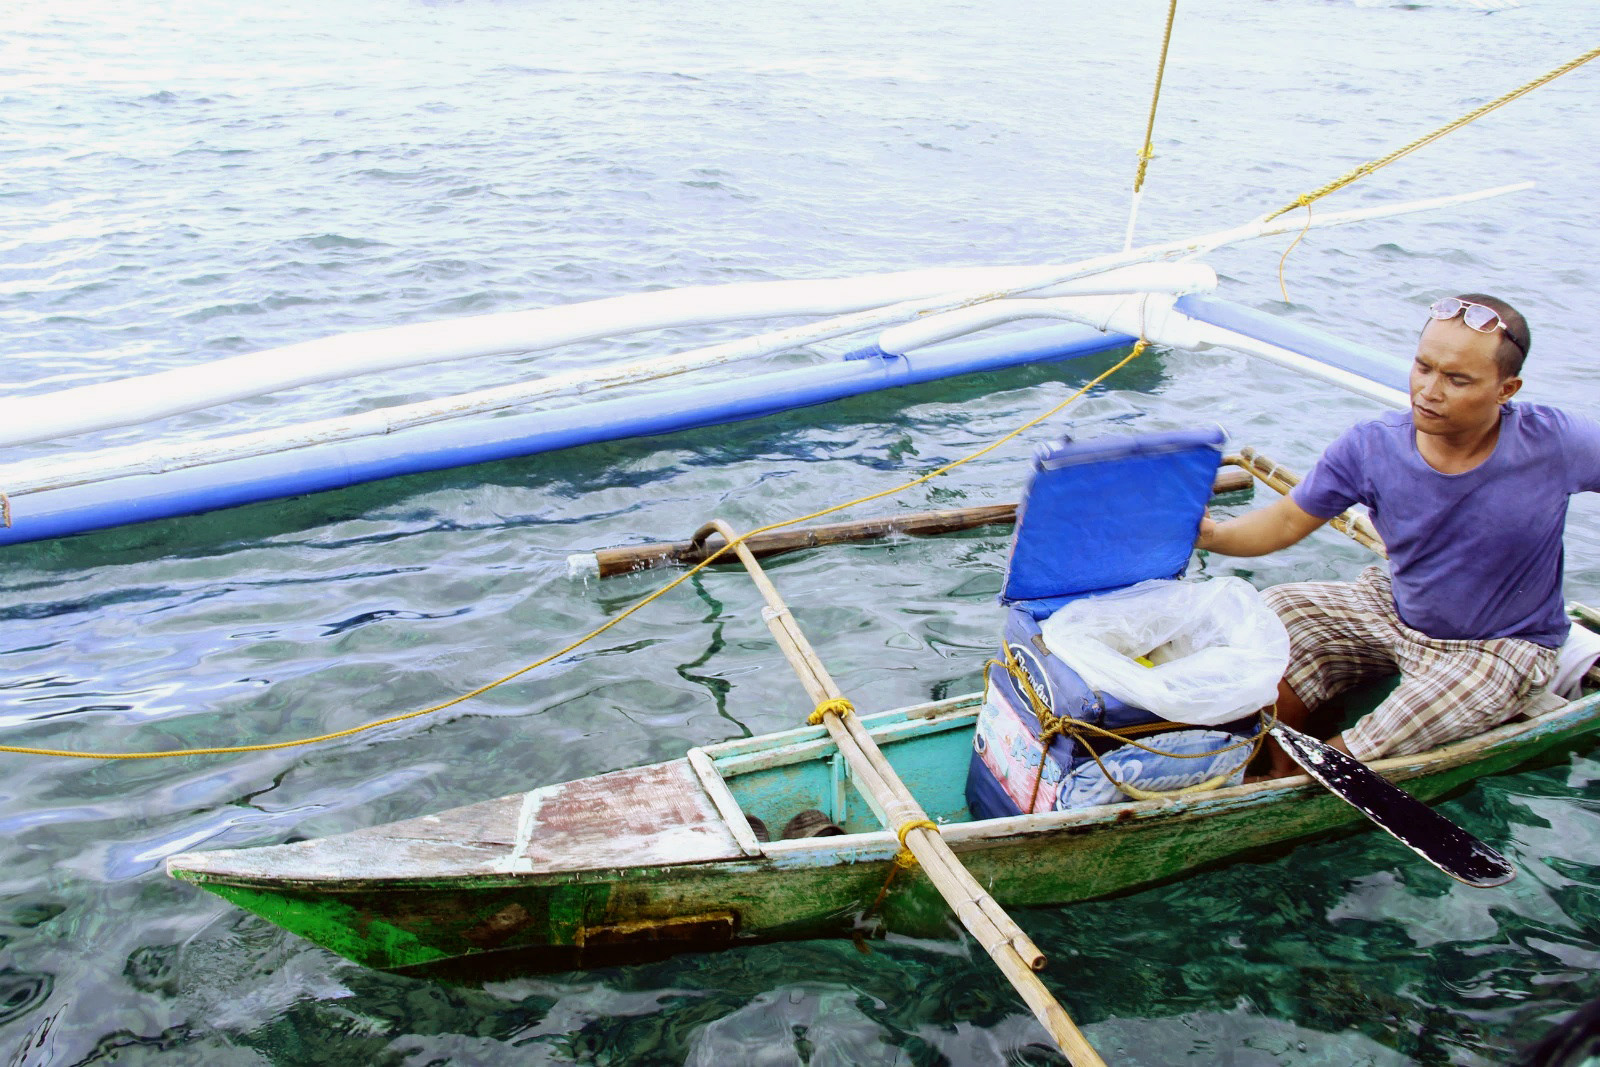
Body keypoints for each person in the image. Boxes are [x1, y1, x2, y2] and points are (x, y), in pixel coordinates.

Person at [1196, 294, 1600, 776]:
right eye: (1423, 367)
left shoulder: (1556, 442)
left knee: (1400, 722)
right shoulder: (1372, 445)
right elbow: (1284, 521)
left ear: (1505, 389)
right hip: (1394, 609)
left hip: (1501, 644)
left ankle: (1315, 776)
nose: (1429, 390)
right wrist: (1212, 534)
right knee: (1277, 609)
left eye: (1457, 379)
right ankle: (1275, 760)